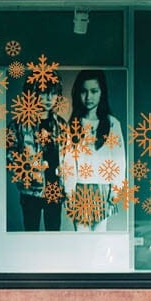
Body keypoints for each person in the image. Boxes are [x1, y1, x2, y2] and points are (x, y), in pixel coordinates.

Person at [61, 69, 126, 231]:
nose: (88, 97)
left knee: (99, 240)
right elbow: (68, 160)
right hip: (80, 189)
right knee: (82, 241)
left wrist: (116, 189)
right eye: (84, 91)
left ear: (102, 92)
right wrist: (69, 191)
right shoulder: (74, 125)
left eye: (94, 91)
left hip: (103, 188)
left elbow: (119, 159)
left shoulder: (112, 124)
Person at [8, 75, 65, 232]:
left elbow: (69, 157)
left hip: (55, 190)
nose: (48, 98)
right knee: (30, 234)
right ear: (32, 93)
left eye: (53, 93)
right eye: (43, 92)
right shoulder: (19, 125)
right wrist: (30, 170)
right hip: (30, 192)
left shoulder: (61, 125)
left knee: (54, 238)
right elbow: (9, 155)